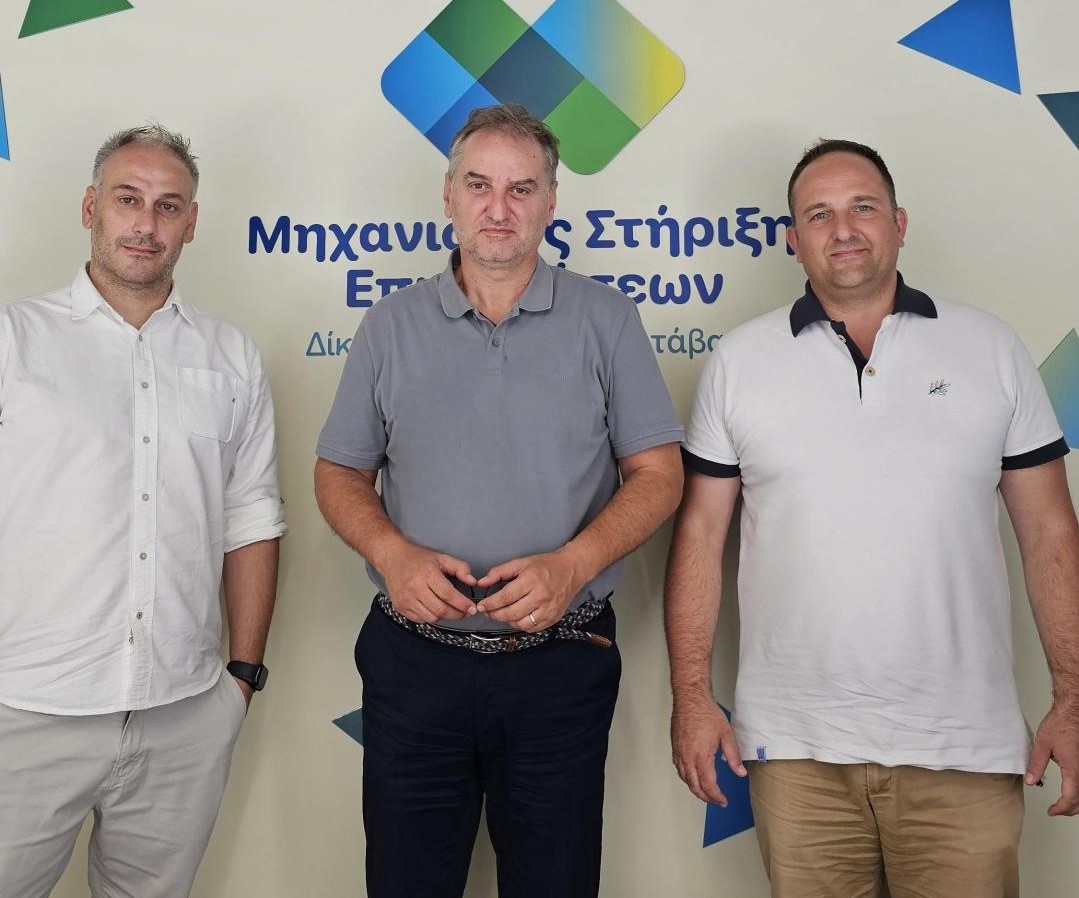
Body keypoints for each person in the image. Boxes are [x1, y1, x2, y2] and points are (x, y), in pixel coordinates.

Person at [665, 138, 1079, 898]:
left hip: (964, 747)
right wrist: (691, 700)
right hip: (795, 753)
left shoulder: (989, 347)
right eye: (818, 214)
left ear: (899, 222)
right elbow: (697, 538)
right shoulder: (739, 361)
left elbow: (1050, 532)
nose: (843, 229)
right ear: (792, 240)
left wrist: (1073, 698)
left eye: (862, 207)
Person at [314, 103, 683, 898]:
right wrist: (390, 553)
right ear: (448, 196)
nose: (498, 208)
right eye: (479, 185)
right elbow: (338, 472)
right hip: (415, 665)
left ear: (551, 203)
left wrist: (574, 564)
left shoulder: (607, 319)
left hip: (560, 665)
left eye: (521, 189)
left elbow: (659, 474)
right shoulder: (388, 325)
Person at [0, 124, 285, 898]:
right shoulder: (14, 340)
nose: (146, 224)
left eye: (168, 206)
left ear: (191, 223)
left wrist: (241, 678)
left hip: (184, 713)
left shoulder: (230, 355)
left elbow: (252, 516)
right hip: (27, 711)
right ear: (90, 208)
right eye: (127, 199)